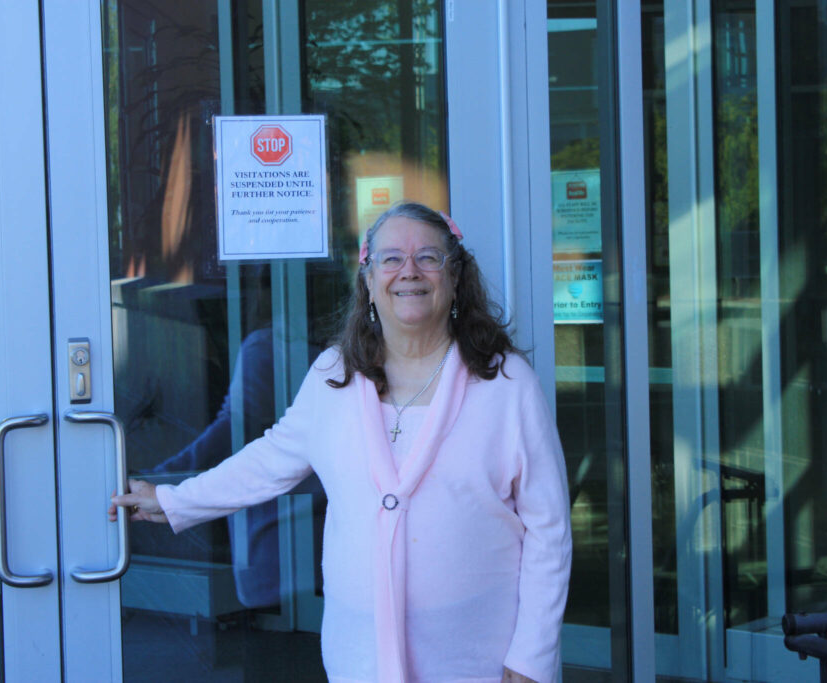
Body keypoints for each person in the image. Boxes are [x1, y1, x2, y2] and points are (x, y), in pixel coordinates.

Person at [110, 201, 572, 683]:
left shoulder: (506, 384)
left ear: (455, 278)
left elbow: (550, 529)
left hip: (475, 656)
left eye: (428, 257)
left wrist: (530, 658)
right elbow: (268, 462)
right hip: (359, 655)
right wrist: (173, 499)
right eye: (391, 258)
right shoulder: (334, 376)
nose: (409, 271)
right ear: (368, 281)